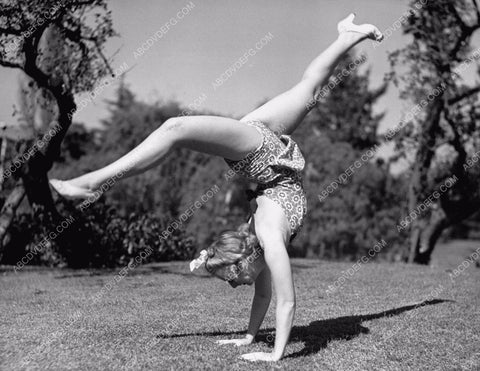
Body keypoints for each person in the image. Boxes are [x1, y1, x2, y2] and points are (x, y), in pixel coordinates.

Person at [49, 13, 383, 362]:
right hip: (264, 156)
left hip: (266, 159)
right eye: (235, 279)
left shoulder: (261, 240)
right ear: (244, 261)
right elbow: (284, 301)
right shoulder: (268, 238)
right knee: (180, 127)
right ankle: (94, 183)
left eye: (234, 281)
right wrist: (273, 353)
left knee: (302, 93)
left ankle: (347, 36)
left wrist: (245, 330)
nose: (239, 284)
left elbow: (261, 295)